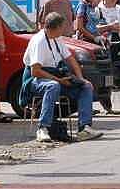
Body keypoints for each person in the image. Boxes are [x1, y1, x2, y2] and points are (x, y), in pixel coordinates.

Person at [23, 12, 98, 142]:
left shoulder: (57, 38)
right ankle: (43, 128)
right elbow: (35, 71)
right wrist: (59, 80)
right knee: (53, 86)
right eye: (62, 27)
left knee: (86, 87)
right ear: (56, 27)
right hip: (36, 80)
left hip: (56, 76)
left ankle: (84, 127)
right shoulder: (39, 41)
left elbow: (71, 59)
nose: (64, 29)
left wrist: (81, 79)